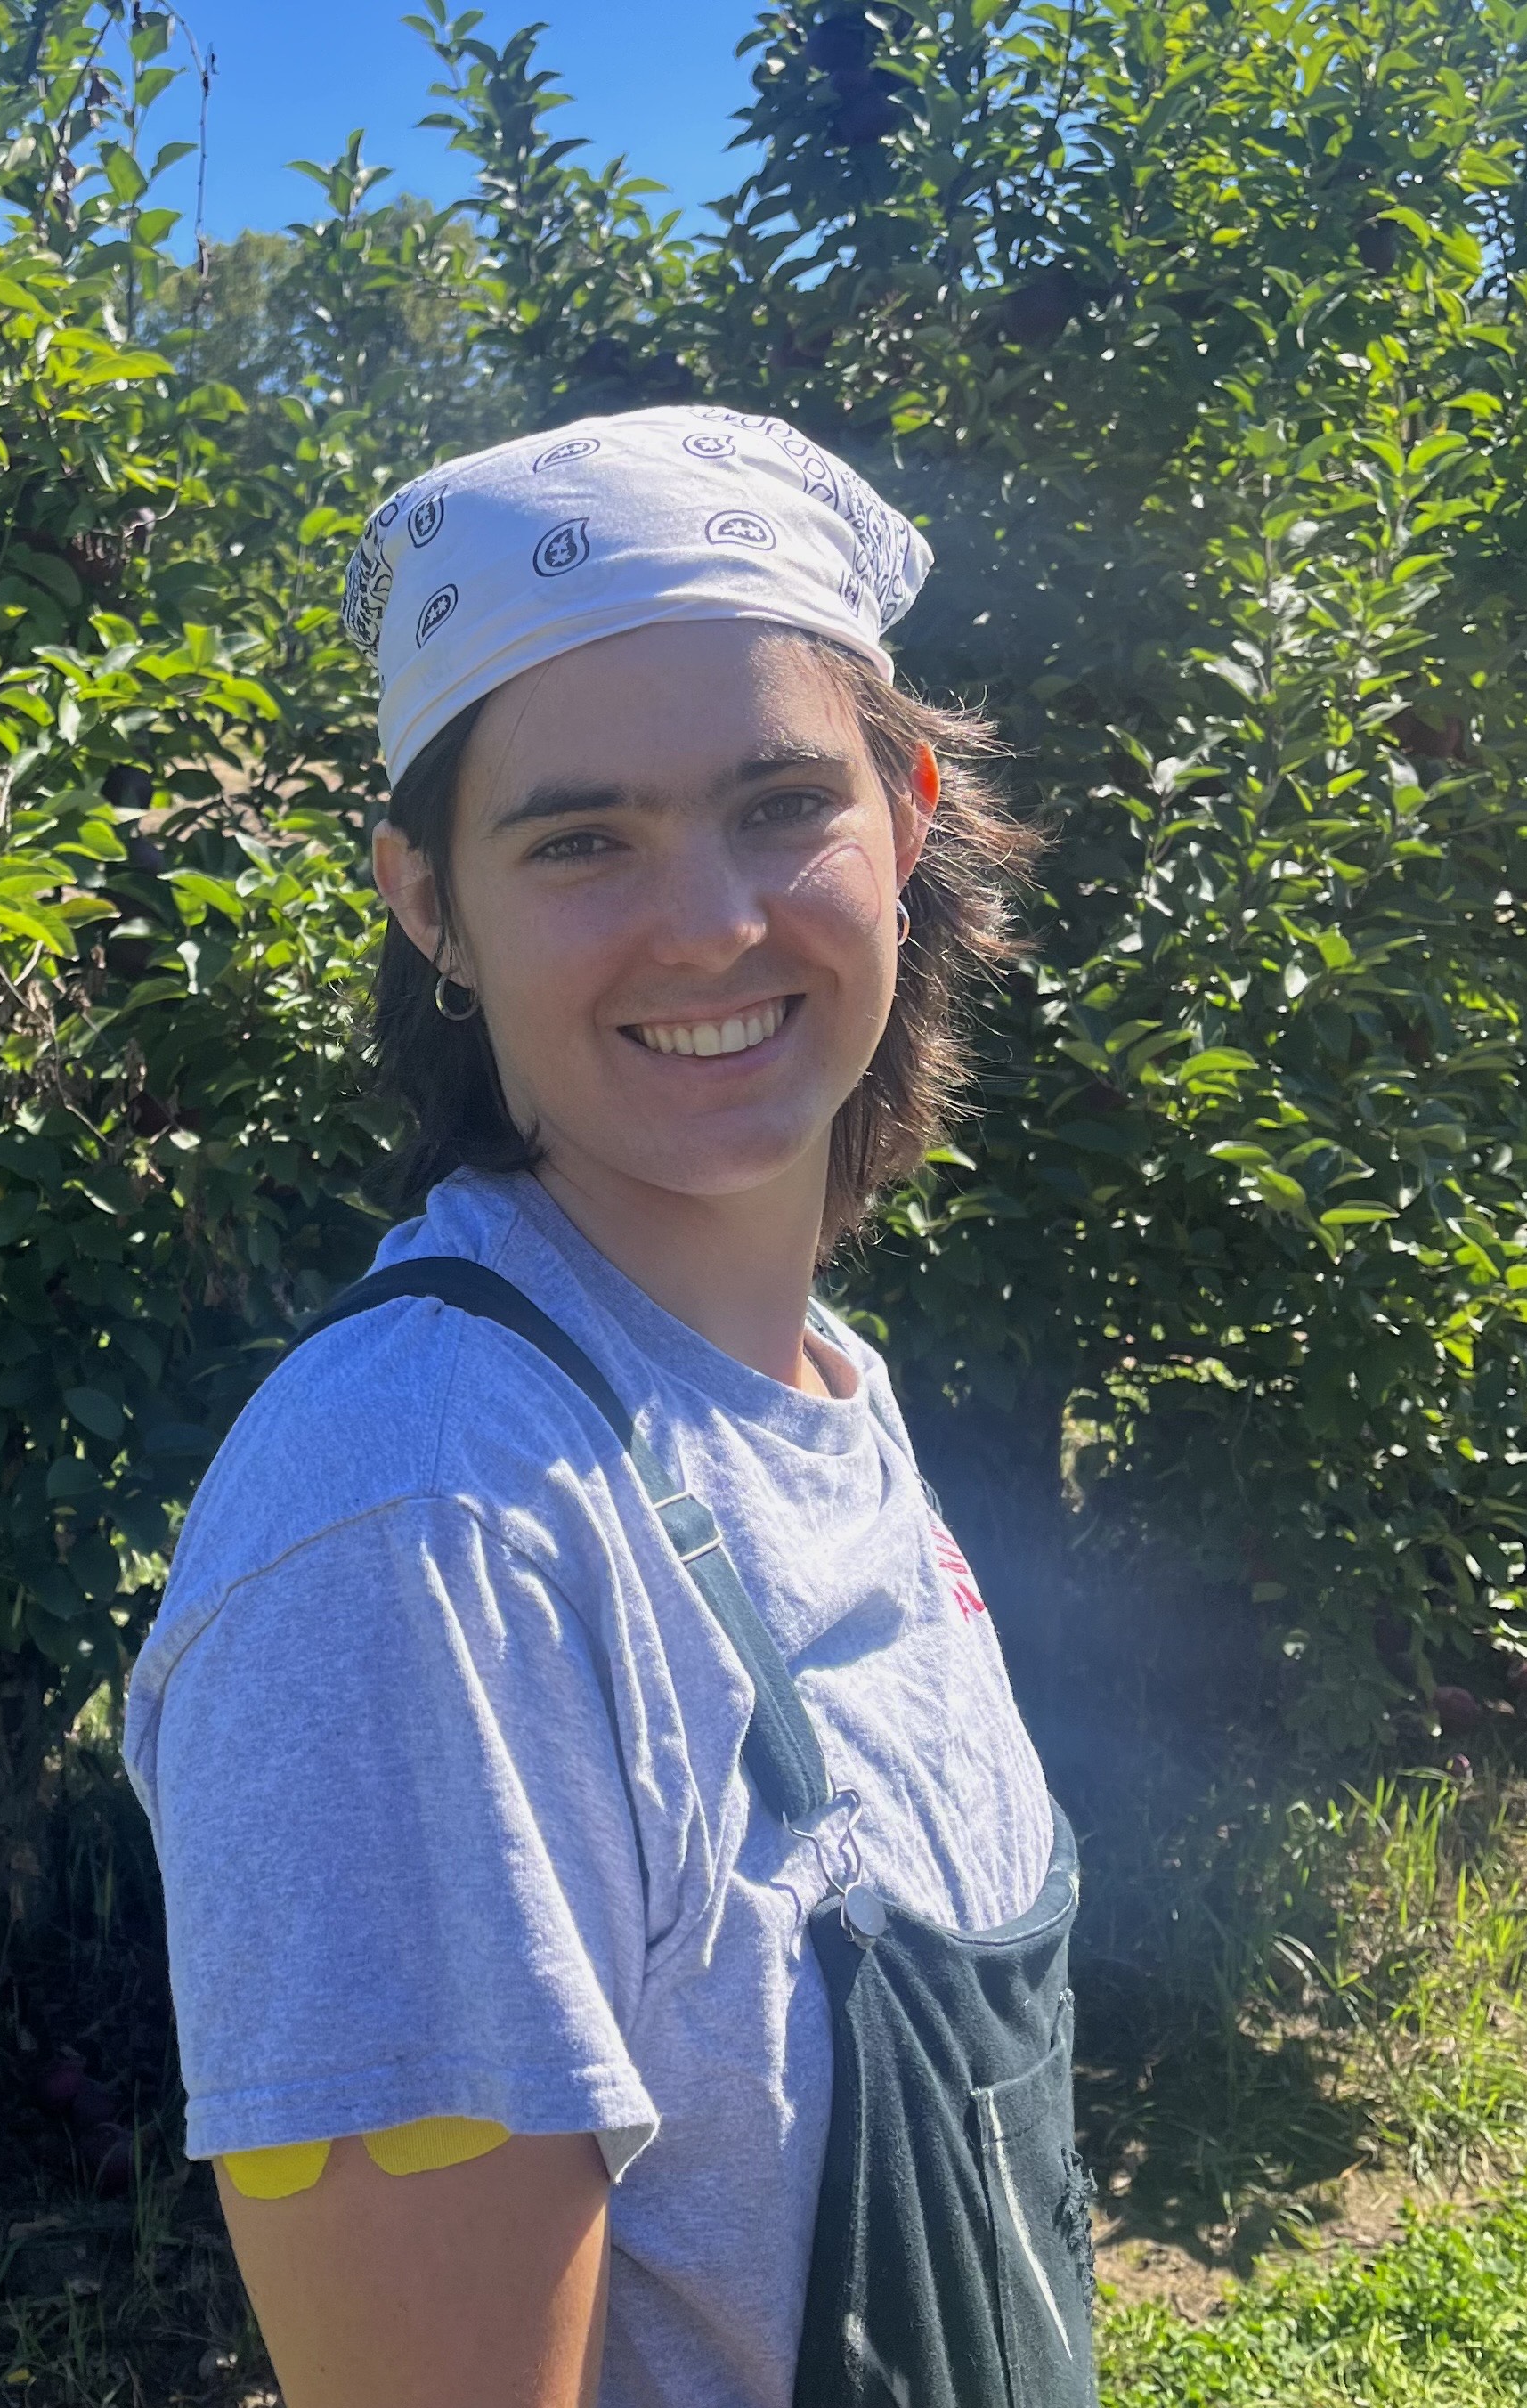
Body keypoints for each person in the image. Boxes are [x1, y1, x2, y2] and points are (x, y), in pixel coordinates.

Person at [124, 406, 1092, 2408]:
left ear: (906, 813)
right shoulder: (422, 1537)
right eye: (578, 840)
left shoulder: (825, 1394)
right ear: (427, 903)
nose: (711, 924)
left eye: (778, 802)